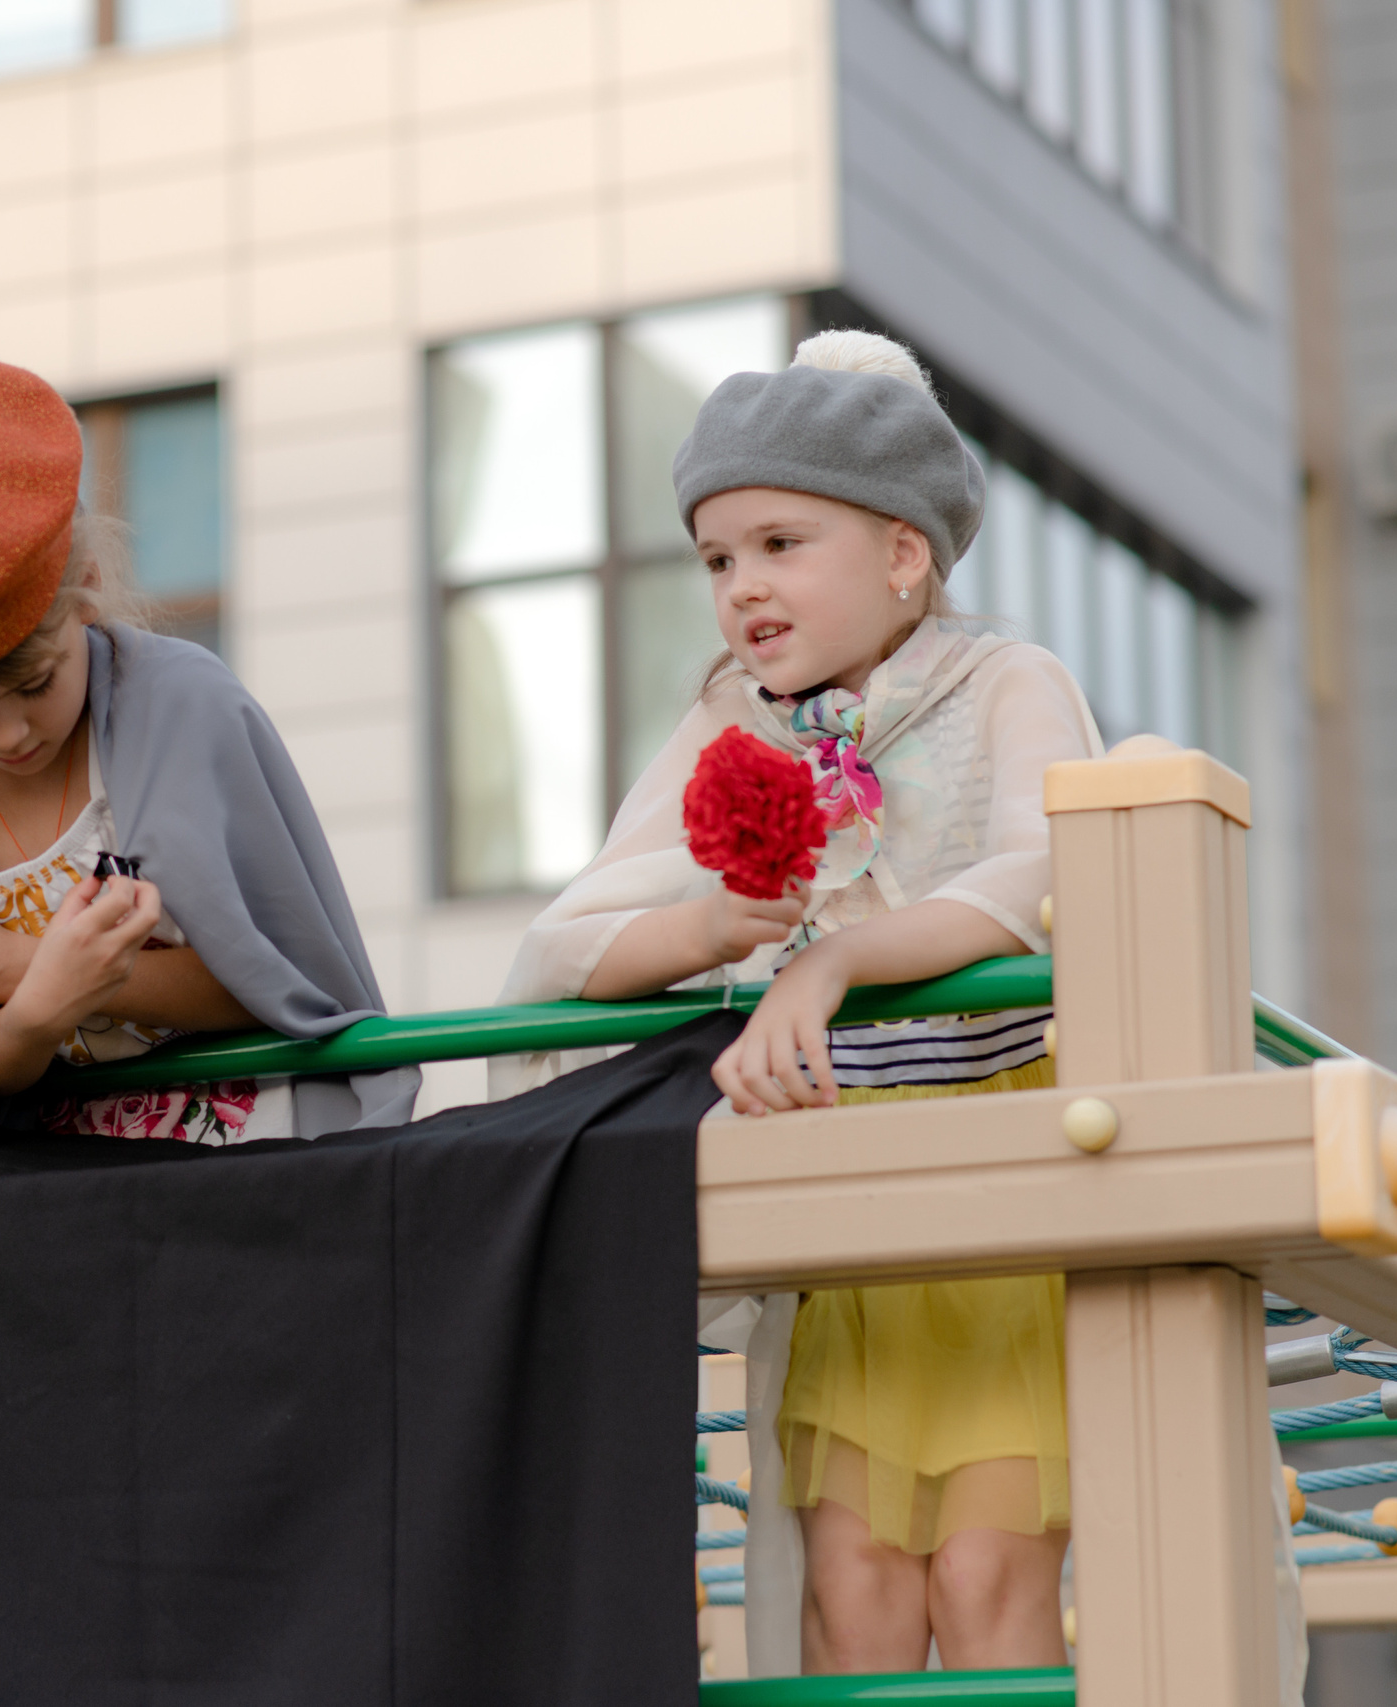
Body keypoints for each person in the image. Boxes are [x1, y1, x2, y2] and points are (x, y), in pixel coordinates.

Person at [490, 331, 1099, 1674]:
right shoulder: (733, 721)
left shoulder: (1004, 679)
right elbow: (571, 938)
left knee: (994, 1579)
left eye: (780, 543)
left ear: (903, 553)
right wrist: (713, 926)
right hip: (849, 1183)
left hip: (1001, 1167)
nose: (742, 587)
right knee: (853, 1591)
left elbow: (1050, 866)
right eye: (717, 559)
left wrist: (831, 958)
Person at [0, 356, 415, 1141]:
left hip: (252, 1151)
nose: (8, 733)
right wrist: (45, 1000)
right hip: (43, 1184)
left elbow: (282, 982)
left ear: (86, 586)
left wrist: (15, 965)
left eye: (37, 681)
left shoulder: (186, 706)